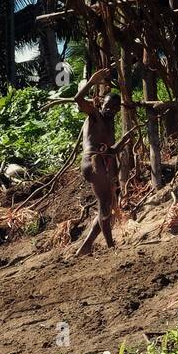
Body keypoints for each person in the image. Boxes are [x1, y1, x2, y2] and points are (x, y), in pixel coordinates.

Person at [74, 68, 136, 257]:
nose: (111, 110)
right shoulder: (94, 115)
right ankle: (110, 247)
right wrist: (92, 82)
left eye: (116, 109)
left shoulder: (108, 123)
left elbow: (109, 150)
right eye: (109, 106)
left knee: (107, 205)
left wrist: (121, 143)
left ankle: (86, 247)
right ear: (102, 103)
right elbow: (77, 100)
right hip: (92, 162)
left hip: (104, 164)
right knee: (104, 205)